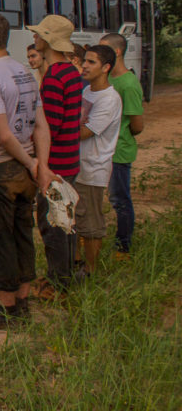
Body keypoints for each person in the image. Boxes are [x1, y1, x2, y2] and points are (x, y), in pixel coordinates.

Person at [0, 13, 53, 329]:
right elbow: (41, 126)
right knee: (21, 230)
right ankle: (23, 301)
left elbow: (3, 135)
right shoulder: (25, 73)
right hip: (25, 164)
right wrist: (38, 165)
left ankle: (5, 310)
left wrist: (33, 165)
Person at [27, 15, 83, 298]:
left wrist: (42, 166)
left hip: (56, 163)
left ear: (48, 40)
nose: (35, 38)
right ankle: (66, 274)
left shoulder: (54, 78)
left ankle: (58, 282)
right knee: (66, 221)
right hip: (70, 158)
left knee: (53, 225)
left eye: (39, 35)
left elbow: (50, 126)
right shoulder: (72, 72)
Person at [75, 45, 123, 274]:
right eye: (84, 60)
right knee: (75, 218)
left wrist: (58, 128)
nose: (84, 65)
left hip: (93, 168)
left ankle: (90, 270)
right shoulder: (86, 92)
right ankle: (76, 264)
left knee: (91, 223)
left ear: (106, 68)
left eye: (91, 62)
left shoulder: (110, 99)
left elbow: (85, 132)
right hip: (78, 165)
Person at [99, 33, 144, 257]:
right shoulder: (109, 80)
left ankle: (123, 245)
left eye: (103, 49)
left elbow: (137, 124)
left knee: (120, 200)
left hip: (119, 151)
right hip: (105, 150)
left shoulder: (127, 83)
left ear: (116, 52)